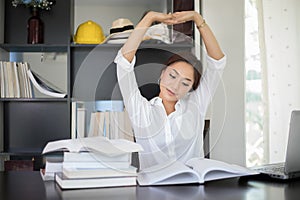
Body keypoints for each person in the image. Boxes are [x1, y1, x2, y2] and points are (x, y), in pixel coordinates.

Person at [114, 11, 226, 170]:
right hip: (152, 191)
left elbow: (218, 62)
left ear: (191, 88)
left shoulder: (196, 105)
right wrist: (149, 18)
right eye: (172, 76)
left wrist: (197, 19)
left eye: (185, 83)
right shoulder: (140, 110)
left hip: (192, 189)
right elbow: (123, 63)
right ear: (162, 73)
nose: (175, 87)